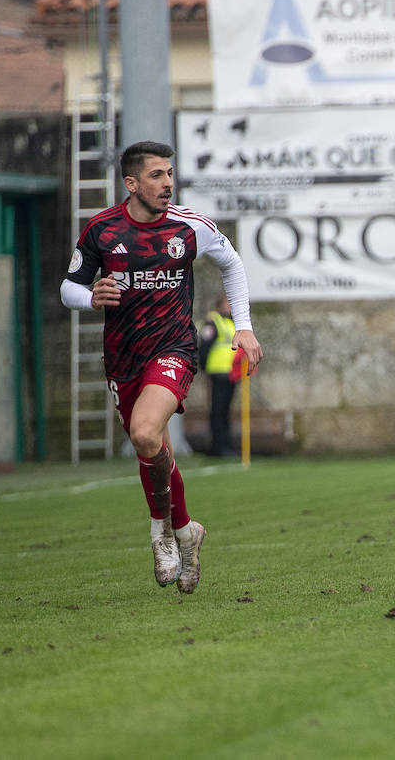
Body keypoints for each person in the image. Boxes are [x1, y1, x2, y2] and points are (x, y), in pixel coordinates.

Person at [61, 140, 262, 594]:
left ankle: (161, 531)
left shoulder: (190, 227)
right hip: (122, 355)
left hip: (173, 348)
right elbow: (67, 288)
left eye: (170, 173)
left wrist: (244, 327)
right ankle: (187, 531)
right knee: (150, 445)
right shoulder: (101, 230)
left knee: (146, 433)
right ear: (131, 183)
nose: (167, 183)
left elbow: (232, 264)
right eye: (156, 175)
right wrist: (91, 296)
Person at [197, 293, 243, 459]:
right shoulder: (214, 321)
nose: (231, 307)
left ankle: (226, 446)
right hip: (217, 372)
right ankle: (218, 447)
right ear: (220, 304)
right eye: (228, 304)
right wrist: (204, 368)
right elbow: (204, 347)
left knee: (224, 411)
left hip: (230, 373)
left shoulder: (230, 322)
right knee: (217, 411)